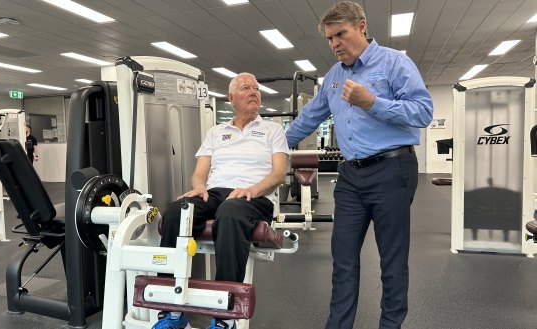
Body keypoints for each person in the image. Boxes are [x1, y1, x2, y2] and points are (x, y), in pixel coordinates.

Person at [286, 2, 433, 329]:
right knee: (343, 260)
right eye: (329, 38)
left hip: (392, 170)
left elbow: (422, 112)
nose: (335, 43)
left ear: (362, 27)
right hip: (351, 176)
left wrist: (372, 103)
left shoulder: (395, 63)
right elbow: (309, 118)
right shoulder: (334, 77)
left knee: (391, 262)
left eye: (341, 34)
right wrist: (271, 146)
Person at [152, 72, 290, 329]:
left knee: (230, 212)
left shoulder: (273, 130)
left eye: (256, 88)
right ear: (231, 98)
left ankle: (224, 315)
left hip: (254, 196)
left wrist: (253, 189)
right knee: (177, 211)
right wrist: (198, 189)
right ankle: (171, 308)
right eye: (246, 88)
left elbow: (279, 174)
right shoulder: (216, 132)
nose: (254, 92)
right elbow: (199, 173)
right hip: (215, 193)